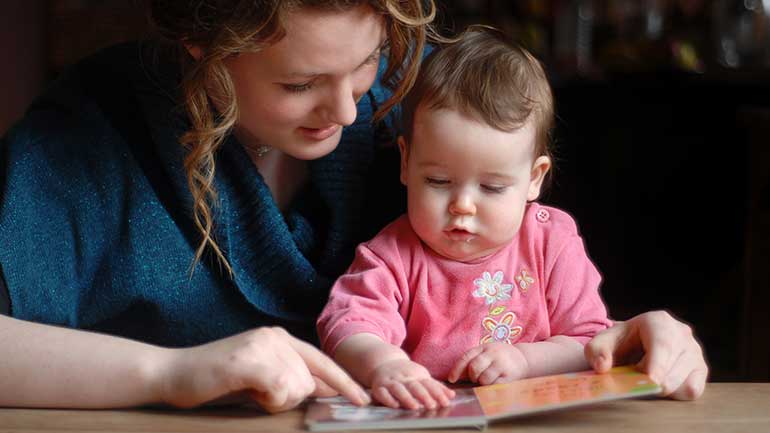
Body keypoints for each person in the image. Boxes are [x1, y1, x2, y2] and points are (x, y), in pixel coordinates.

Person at [0, 0, 706, 413]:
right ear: (202, 46)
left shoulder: (412, 98)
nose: (349, 111)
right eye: (301, 82)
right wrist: (169, 372)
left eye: (366, 63)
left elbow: (509, 287)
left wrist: (626, 335)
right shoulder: (87, 139)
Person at [318, 27, 617, 410]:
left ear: (533, 178)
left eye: (492, 188)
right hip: (429, 417)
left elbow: (591, 343)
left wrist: (525, 360)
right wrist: (385, 365)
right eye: (438, 181)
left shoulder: (551, 242)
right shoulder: (394, 254)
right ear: (406, 162)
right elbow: (347, 325)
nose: (463, 205)